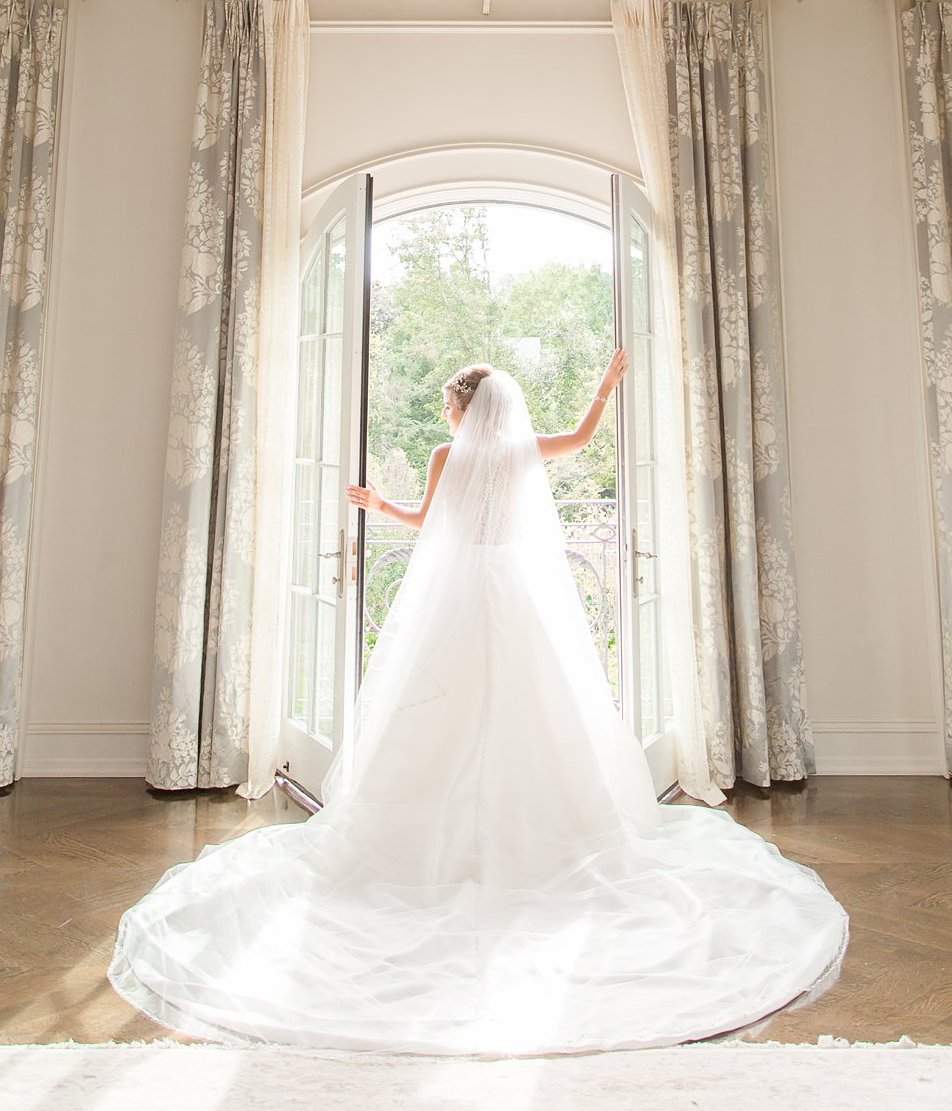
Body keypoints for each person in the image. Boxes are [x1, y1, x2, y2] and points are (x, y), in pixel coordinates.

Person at [109, 356, 848, 1056]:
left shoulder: (445, 455)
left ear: (464, 407)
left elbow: (429, 526)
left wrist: (379, 504)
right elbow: (584, 438)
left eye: (448, 403)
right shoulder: (520, 453)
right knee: (536, 714)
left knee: (439, 714)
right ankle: (540, 837)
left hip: (458, 600)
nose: (446, 413)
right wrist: (605, 385)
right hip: (517, 596)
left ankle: (436, 844)